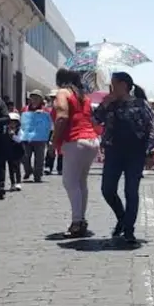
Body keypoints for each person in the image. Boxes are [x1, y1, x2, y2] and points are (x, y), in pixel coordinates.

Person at [93, 72, 154, 245]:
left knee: (131, 191)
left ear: (124, 85)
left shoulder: (140, 103)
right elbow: (95, 121)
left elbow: (150, 128)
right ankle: (121, 217)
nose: (111, 88)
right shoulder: (109, 104)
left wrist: (150, 152)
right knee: (107, 189)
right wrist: (105, 104)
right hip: (114, 151)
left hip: (135, 152)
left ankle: (129, 229)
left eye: (114, 84)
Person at [52, 68, 99, 238]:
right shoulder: (83, 96)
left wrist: (54, 140)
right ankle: (81, 219)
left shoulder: (63, 93)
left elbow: (62, 117)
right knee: (81, 182)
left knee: (70, 182)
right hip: (91, 140)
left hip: (75, 140)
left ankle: (77, 222)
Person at [20, 90, 52, 182]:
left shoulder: (45, 110)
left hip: (40, 138)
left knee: (39, 159)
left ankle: (37, 175)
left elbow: (50, 123)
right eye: (33, 97)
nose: (34, 99)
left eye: (37, 97)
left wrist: (44, 114)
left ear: (41, 99)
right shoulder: (25, 109)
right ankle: (28, 170)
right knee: (24, 157)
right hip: (26, 138)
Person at [5, 112, 24, 192]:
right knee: (11, 168)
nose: (12, 124)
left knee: (17, 167)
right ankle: (12, 183)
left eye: (14, 122)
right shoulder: (6, 130)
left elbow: (20, 140)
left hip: (17, 151)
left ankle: (18, 182)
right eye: (10, 122)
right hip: (9, 151)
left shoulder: (19, 131)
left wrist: (13, 135)